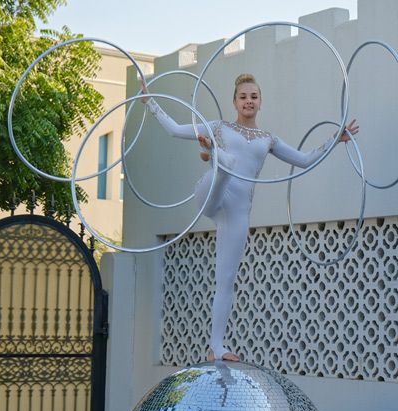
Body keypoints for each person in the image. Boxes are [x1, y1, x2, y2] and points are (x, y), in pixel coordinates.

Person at [143, 74, 358, 362]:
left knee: (226, 279)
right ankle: (219, 160)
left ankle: (216, 347)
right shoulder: (218, 127)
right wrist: (150, 103)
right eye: (243, 96)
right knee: (222, 166)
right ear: (234, 101)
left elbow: (305, 160)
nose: (248, 101)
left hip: (237, 211)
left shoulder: (268, 139)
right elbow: (173, 130)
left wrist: (336, 139)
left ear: (260, 102)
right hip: (211, 195)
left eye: (253, 96)